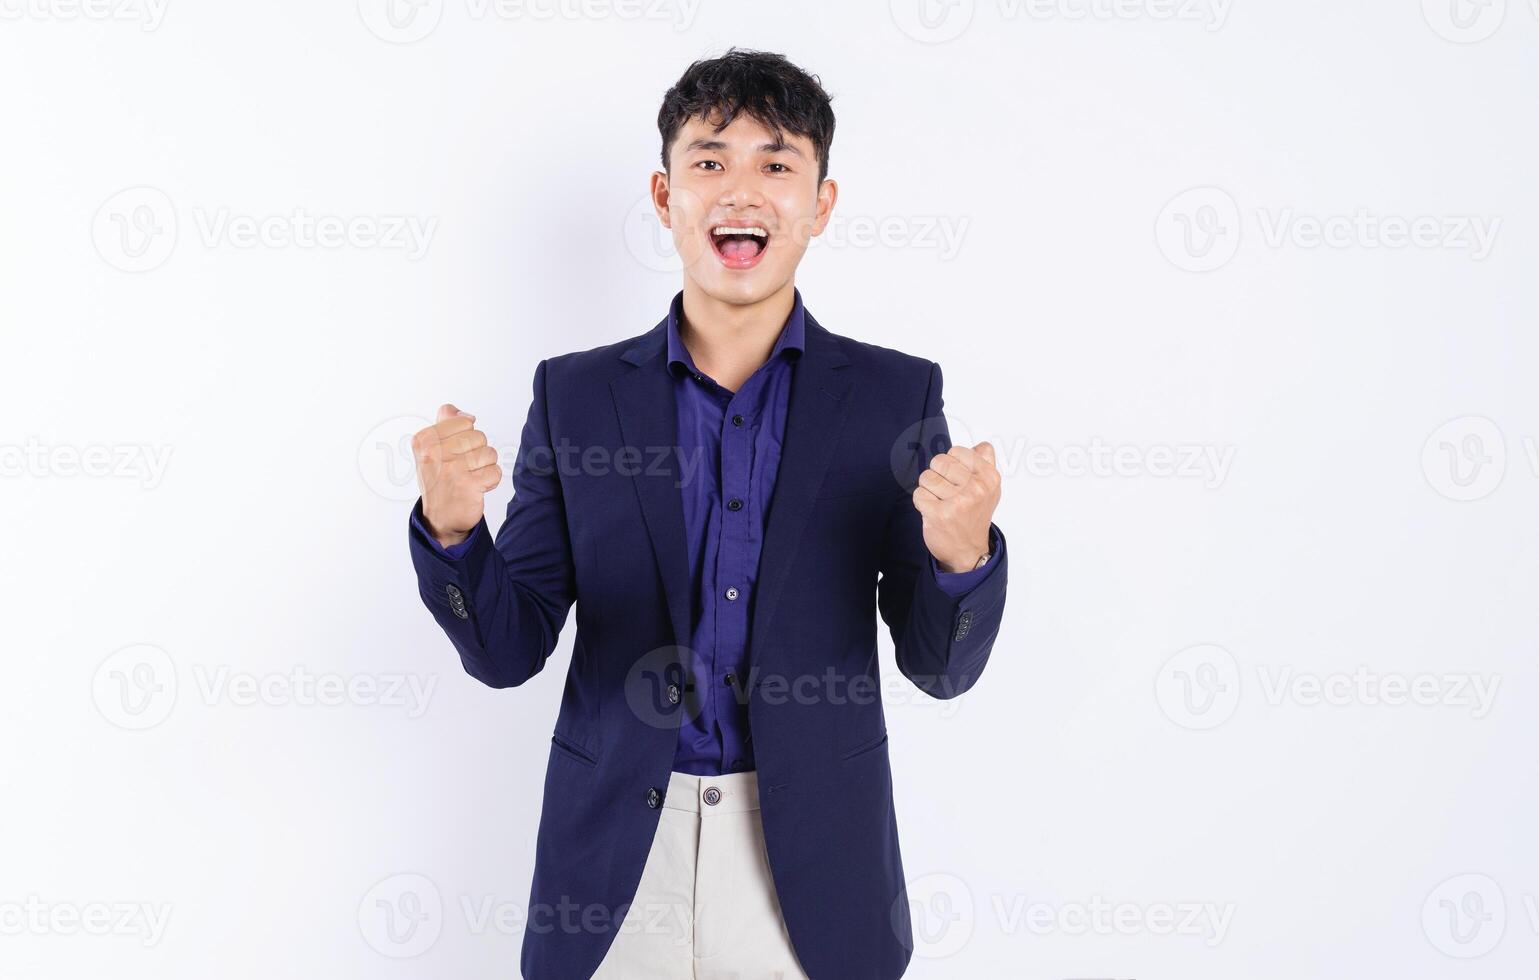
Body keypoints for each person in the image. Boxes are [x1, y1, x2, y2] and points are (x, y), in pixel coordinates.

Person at [408, 48, 1008, 980]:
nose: (742, 190)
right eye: (709, 160)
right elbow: (505, 649)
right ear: (663, 195)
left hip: (812, 866)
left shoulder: (893, 397)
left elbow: (939, 668)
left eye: (776, 164)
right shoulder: (576, 397)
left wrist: (961, 555)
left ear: (820, 202)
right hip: (614, 864)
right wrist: (454, 534)